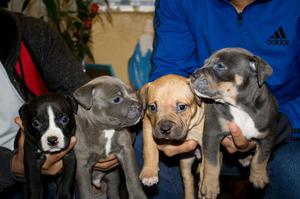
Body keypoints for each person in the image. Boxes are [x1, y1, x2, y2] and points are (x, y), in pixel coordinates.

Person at [133, 0, 300, 198]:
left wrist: (279, 125)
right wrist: (173, 116)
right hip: (204, 120)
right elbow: (169, 74)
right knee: (144, 146)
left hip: (284, 121)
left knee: (294, 173)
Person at [0, 8, 118, 197]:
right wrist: (11, 166)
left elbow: (85, 95)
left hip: (62, 161)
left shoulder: (30, 33)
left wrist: (108, 131)